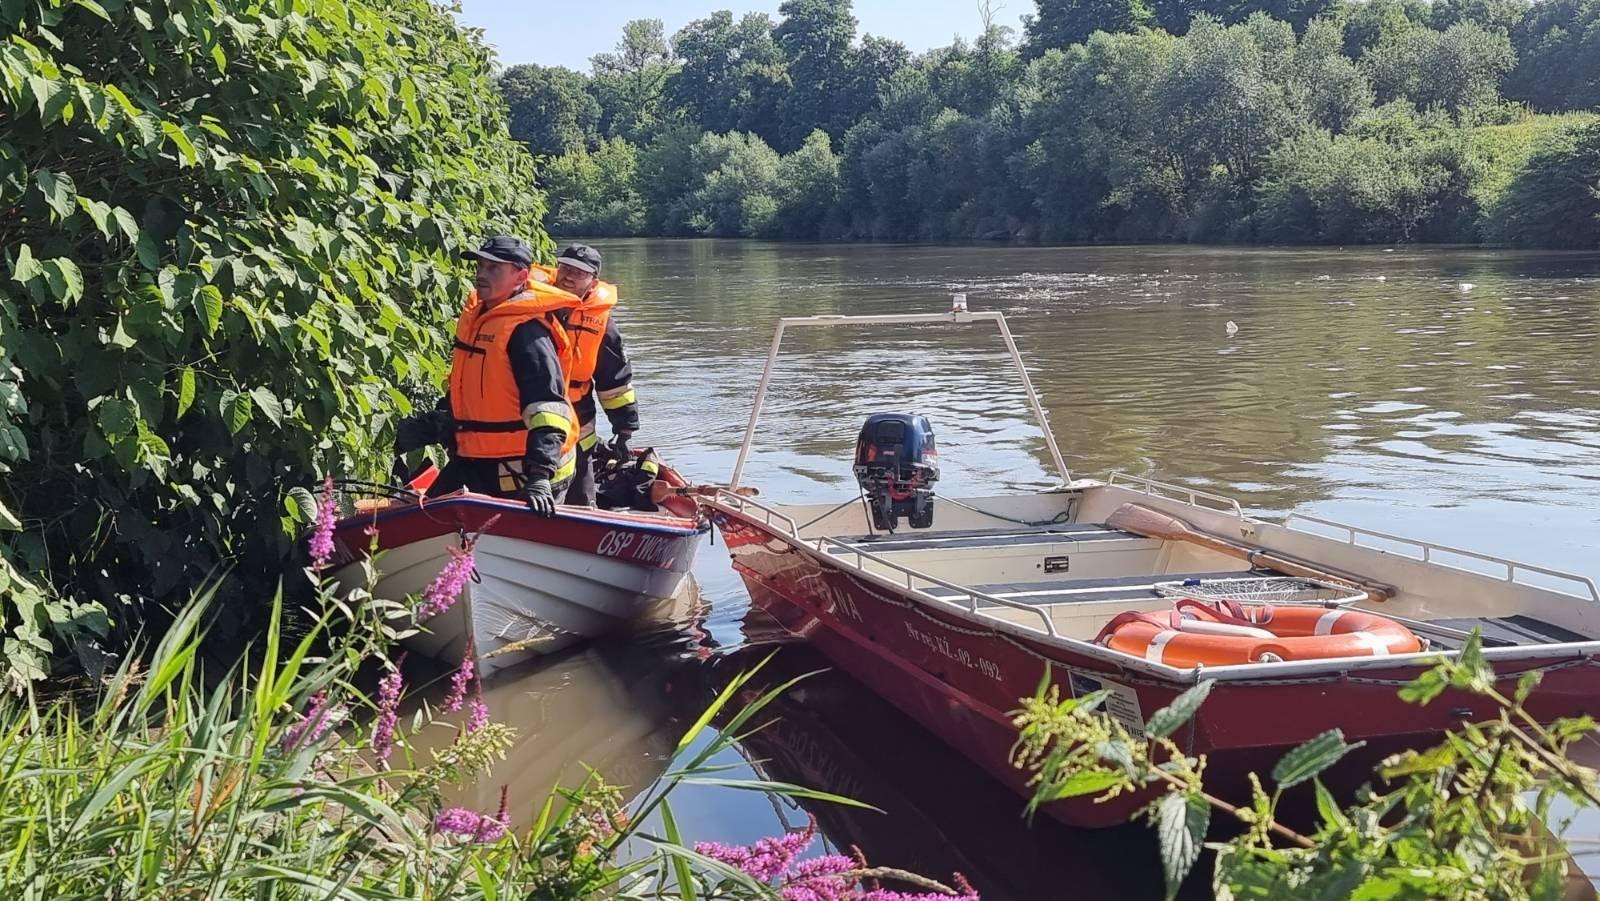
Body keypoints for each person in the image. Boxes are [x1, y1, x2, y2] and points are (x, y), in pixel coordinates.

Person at [395, 236, 582, 516]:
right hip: (478, 459)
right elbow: (471, 393)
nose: (481, 274)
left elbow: (549, 409)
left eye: (494, 269)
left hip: (529, 468)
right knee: (426, 517)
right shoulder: (480, 319)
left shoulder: (528, 333)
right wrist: (435, 426)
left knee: (501, 535)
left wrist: (540, 475)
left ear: (520, 276)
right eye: (480, 266)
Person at [533, 244, 640, 507]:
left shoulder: (603, 324)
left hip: (577, 408)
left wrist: (624, 429)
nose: (568, 277)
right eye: (565, 269)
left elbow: (615, 382)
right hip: (531, 403)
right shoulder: (530, 306)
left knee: (580, 467)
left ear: (593, 281)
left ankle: (584, 514)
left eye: (579, 273)